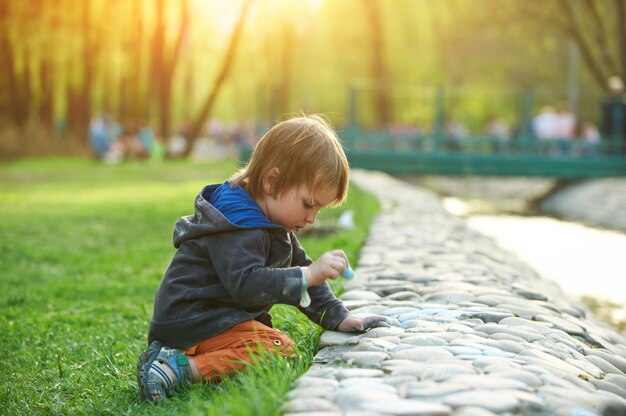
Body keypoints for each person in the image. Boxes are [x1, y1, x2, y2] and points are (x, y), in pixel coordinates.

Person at [136, 114, 388, 402]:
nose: (312, 218)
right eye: (308, 204)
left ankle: (175, 359)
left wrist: (339, 317)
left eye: (319, 209)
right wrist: (307, 276)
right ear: (271, 182)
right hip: (192, 322)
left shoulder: (270, 223)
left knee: (271, 342)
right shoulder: (238, 225)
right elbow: (246, 283)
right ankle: (179, 367)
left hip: (213, 320)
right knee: (279, 349)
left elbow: (301, 267)